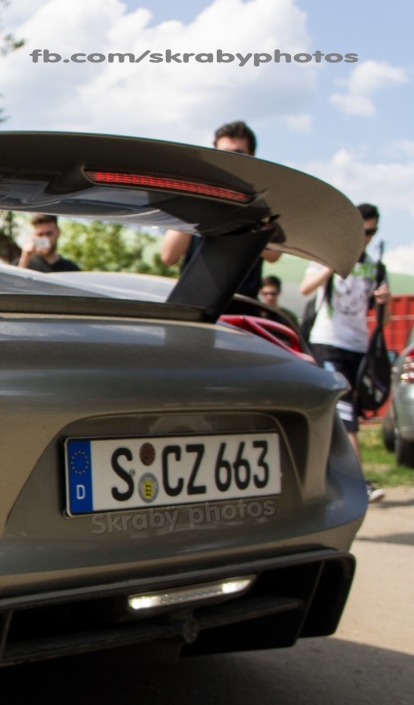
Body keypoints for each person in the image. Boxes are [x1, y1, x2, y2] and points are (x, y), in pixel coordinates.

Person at [299, 203, 390, 502]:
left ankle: (325, 478)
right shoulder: (328, 254)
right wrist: (330, 266)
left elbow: (383, 320)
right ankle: (358, 483)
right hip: (328, 342)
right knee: (346, 415)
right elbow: (305, 289)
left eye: (373, 232)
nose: (367, 237)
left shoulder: (376, 267)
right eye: (364, 231)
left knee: (342, 416)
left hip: (358, 347)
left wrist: (384, 302)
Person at [160, 121, 280, 298]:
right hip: (194, 302)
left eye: (238, 154)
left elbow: (274, 254)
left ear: (252, 156)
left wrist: (242, 219)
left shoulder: (262, 201)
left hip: (242, 306)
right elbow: (169, 256)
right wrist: (195, 201)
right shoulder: (196, 196)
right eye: (223, 154)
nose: (230, 161)